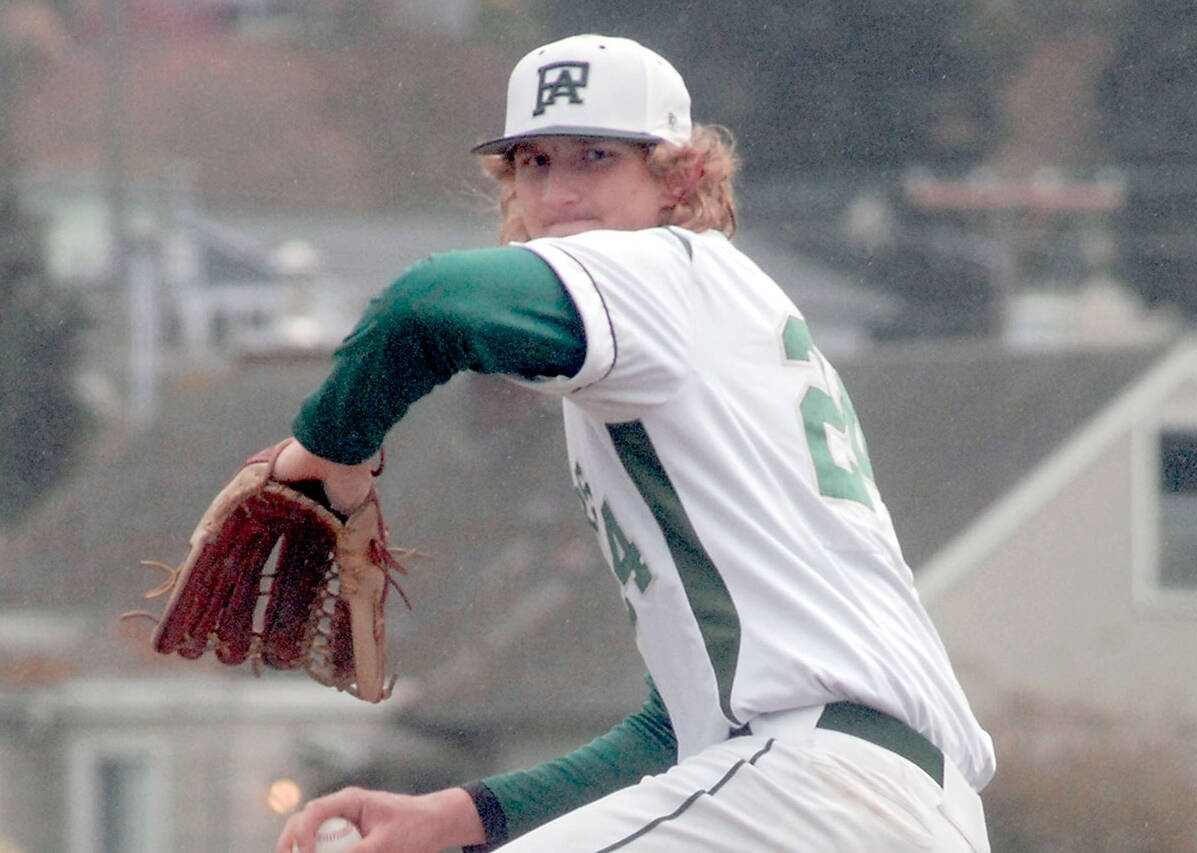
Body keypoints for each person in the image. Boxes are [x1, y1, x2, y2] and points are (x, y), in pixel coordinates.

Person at [274, 33, 995, 853]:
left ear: (678, 178)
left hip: (812, 787)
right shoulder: (703, 325)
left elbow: (425, 303)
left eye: (594, 157)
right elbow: (673, 733)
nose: (560, 191)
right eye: (535, 164)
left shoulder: (660, 276)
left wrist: (328, 448)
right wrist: (468, 815)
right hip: (880, 801)